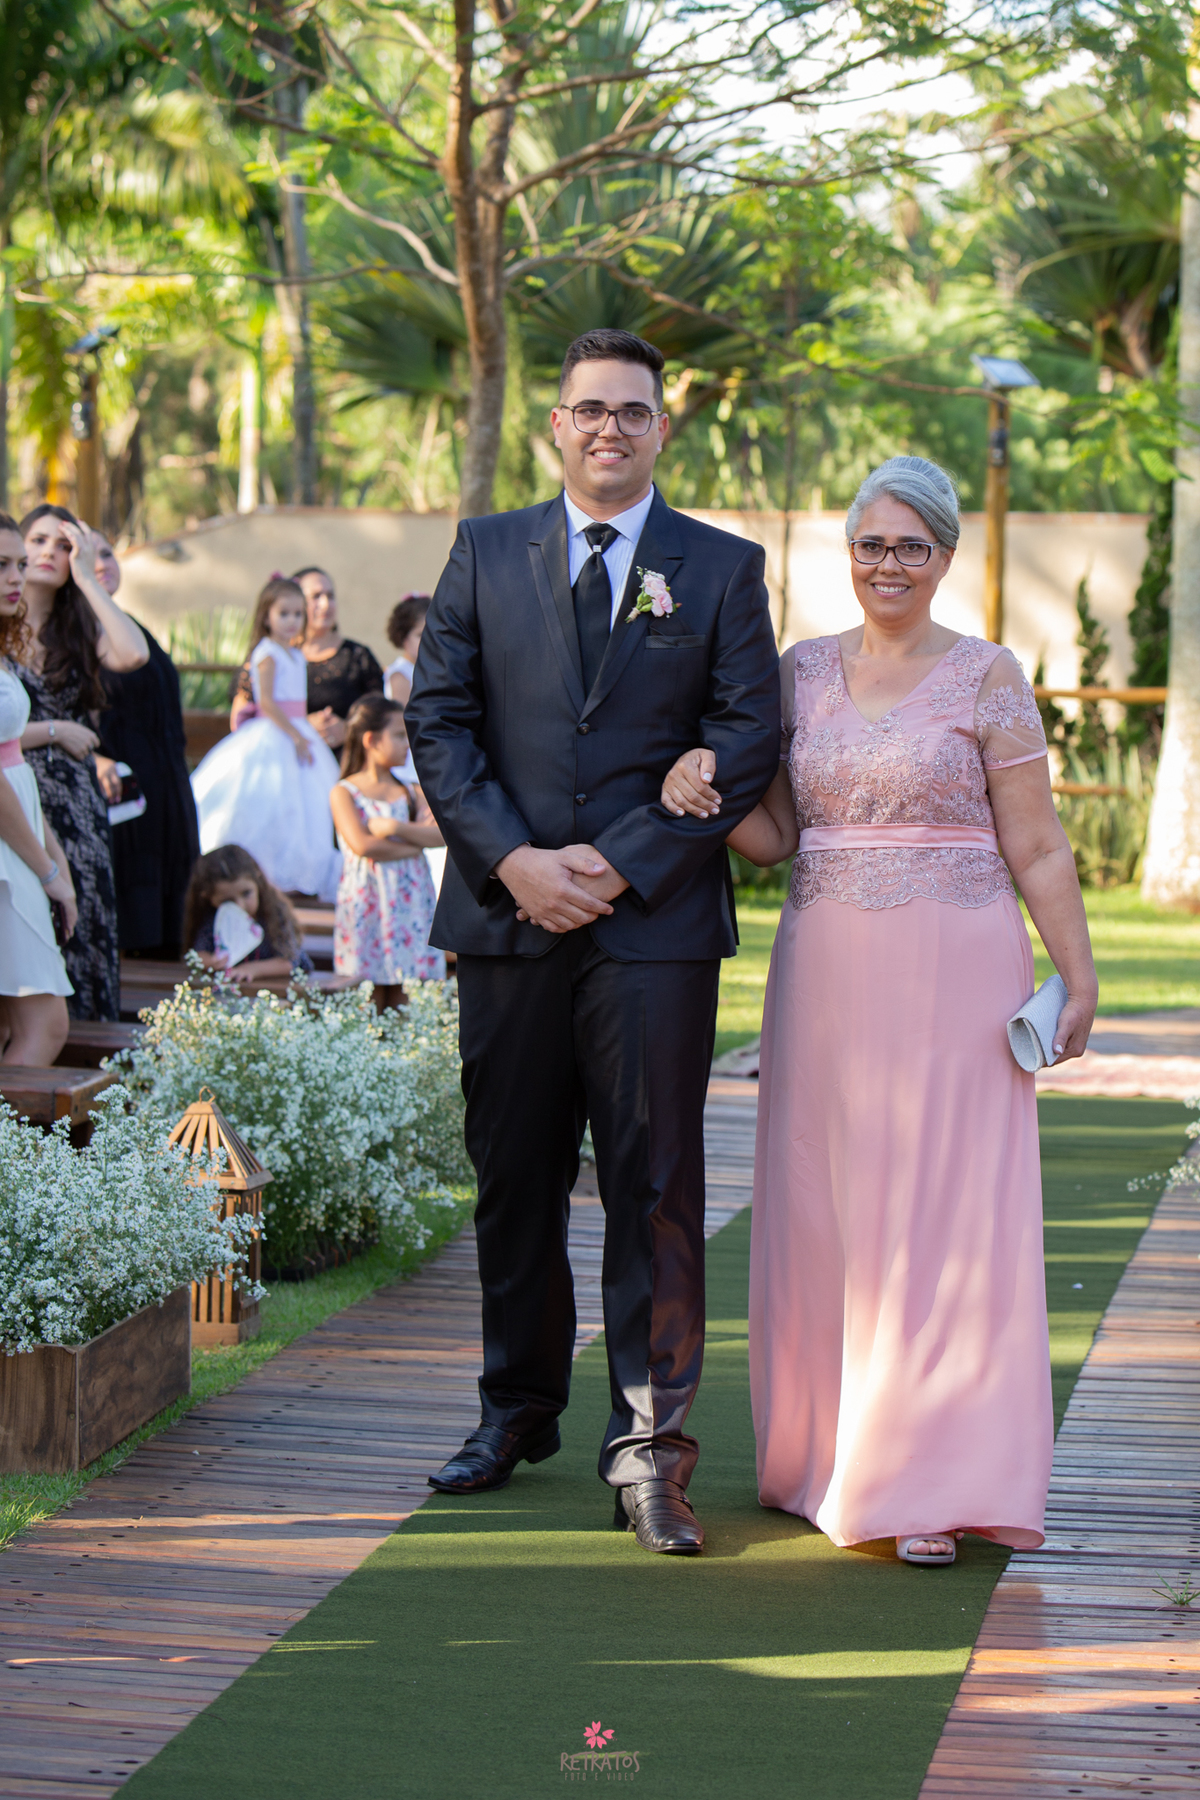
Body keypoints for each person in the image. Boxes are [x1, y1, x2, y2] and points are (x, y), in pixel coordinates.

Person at [661, 455, 1098, 1566]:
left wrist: (1077, 975)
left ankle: (930, 1479)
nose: (887, 563)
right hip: (828, 969)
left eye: (910, 545)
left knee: (945, 1212)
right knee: (829, 1205)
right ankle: (828, 1458)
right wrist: (697, 791)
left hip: (959, 965)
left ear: (947, 556)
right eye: (869, 544)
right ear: (845, 555)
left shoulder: (989, 675)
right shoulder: (798, 671)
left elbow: (1036, 842)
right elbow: (777, 836)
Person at [406, 327, 780, 1554]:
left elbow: (746, 737)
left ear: (662, 428)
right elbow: (441, 720)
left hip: (653, 931)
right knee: (513, 1175)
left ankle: (651, 1449)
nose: (608, 428)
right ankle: (515, 1410)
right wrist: (515, 862)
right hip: (508, 919)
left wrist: (617, 862)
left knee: (654, 1186)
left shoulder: (720, 569)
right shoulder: (483, 550)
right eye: (587, 410)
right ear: (555, 428)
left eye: (632, 410)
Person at [17, 503, 148, 1021]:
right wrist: (54, 731)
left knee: (84, 922)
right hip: (15, 794)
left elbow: (133, 654)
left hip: (74, 802)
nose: (50, 552)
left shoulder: (78, 627)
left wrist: (90, 579)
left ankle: (88, 1086)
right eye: (40, 540)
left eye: (64, 545)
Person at [192, 576, 342, 898]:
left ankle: (302, 873)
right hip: (275, 732)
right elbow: (268, 702)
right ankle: (259, 875)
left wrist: (302, 733)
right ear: (266, 616)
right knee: (266, 802)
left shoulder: (296, 654)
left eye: (297, 614)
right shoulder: (267, 653)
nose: (292, 621)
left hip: (298, 729)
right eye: (284, 613)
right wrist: (295, 735)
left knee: (305, 807)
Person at [93, 533, 200, 958]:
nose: (103, 563)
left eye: (107, 553)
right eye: (89, 556)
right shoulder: (74, 629)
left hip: (164, 775)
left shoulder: (128, 625)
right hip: (122, 785)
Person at [0, 514, 77, 1063]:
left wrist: (57, 858)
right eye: (1, 565)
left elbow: (13, 767)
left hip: (19, 838)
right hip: (7, 853)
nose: (16, 578)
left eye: (19, 565)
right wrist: (47, 871)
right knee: (45, 1024)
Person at [331, 694, 445, 1008]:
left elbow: (441, 835)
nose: (407, 743)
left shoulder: (410, 791)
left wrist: (395, 829)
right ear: (371, 740)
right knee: (367, 996)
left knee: (406, 993)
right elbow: (364, 845)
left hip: (409, 906)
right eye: (398, 735)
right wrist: (416, 843)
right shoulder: (344, 792)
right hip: (367, 903)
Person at [230, 567, 383, 748]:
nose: (325, 604)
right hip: (283, 743)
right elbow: (243, 714)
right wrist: (299, 726)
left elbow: (380, 710)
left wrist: (348, 729)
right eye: (316, 596)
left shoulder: (357, 656)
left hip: (343, 755)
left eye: (330, 595)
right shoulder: (269, 654)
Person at [183, 845, 313, 981]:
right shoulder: (213, 920)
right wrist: (212, 962)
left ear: (257, 880)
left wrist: (253, 969)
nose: (240, 905)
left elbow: (290, 962)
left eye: (246, 893)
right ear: (209, 898)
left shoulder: (273, 913)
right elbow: (198, 954)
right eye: (228, 901)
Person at [383, 594, 430, 707]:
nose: (428, 639)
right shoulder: (400, 675)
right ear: (404, 638)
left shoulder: (432, 668)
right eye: (420, 634)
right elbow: (403, 721)